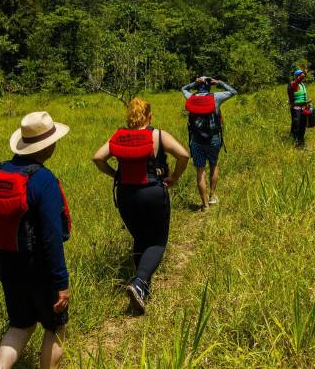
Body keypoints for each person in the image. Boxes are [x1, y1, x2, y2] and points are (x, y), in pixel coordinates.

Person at [0, 111, 72, 369]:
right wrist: (61, 282)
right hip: (40, 269)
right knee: (56, 327)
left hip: (8, 265)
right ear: (47, 145)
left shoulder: (0, 174)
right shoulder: (43, 180)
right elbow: (52, 237)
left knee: (20, 325)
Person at [92, 98, 189, 314]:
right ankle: (139, 282)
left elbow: (98, 157)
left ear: (130, 116)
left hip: (126, 195)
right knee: (157, 242)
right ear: (149, 116)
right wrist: (174, 177)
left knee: (140, 239)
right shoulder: (157, 135)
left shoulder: (118, 136)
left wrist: (115, 174)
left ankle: (143, 290)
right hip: (153, 193)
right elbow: (183, 154)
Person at [181, 76, 237, 210]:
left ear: (198, 86)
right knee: (214, 165)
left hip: (196, 140)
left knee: (200, 172)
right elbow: (233, 91)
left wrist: (193, 83)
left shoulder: (191, 98)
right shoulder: (215, 98)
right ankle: (212, 196)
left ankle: (205, 205)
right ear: (209, 85)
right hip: (213, 139)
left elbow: (183, 88)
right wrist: (219, 82)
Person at [287, 69, 310, 148]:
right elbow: (292, 101)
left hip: (304, 108)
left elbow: (304, 97)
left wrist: (306, 104)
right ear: (297, 76)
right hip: (296, 108)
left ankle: (301, 143)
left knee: (303, 126)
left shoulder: (302, 84)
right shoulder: (293, 84)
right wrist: (302, 73)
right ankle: (294, 142)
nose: (303, 77)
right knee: (297, 125)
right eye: (301, 76)